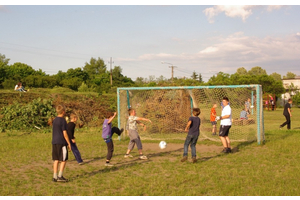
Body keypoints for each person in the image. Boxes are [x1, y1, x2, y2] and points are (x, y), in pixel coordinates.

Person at [52, 104, 71, 182]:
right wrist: (68, 143)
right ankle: (60, 176)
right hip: (61, 142)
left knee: (56, 159)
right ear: (63, 111)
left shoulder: (55, 120)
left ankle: (55, 176)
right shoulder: (63, 120)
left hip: (54, 142)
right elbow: (65, 133)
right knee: (63, 159)